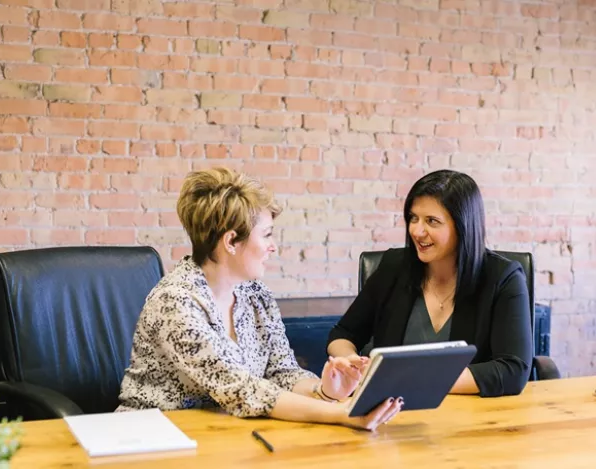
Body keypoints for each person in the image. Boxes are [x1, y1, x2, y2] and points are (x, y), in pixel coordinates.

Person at [117, 167, 402, 430]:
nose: (273, 247)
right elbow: (241, 389)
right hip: (151, 438)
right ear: (230, 242)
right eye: (266, 235)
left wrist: (325, 391)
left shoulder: (255, 295)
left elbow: (282, 372)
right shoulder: (175, 302)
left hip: (225, 435)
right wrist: (342, 413)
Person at [327, 169, 533, 397]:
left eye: (432, 221)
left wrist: (409, 380)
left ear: (463, 226)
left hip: (471, 416)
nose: (417, 231)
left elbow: (513, 370)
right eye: (413, 218)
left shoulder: (503, 278)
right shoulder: (394, 267)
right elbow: (343, 333)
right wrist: (349, 361)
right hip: (391, 413)